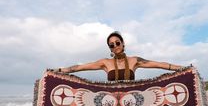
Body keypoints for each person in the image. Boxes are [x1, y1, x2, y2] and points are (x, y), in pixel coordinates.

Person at [50, 31, 184, 81]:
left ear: (123, 43)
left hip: (132, 103)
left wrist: (181, 68)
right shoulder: (105, 63)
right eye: (111, 45)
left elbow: (159, 64)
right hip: (111, 105)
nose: (115, 46)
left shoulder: (134, 61)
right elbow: (79, 67)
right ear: (110, 49)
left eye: (117, 43)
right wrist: (60, 71)